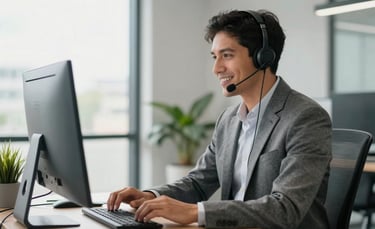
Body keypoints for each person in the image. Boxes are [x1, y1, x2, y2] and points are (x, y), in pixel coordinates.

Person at [107, 9, 332, 229]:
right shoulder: (229, 119)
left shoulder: (305, 117)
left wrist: (196, 212)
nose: (216, 68)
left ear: (263, 58)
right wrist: (150, 195)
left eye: (227, 55)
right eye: (215, 57)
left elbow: (286, 209)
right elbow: (198, 182)